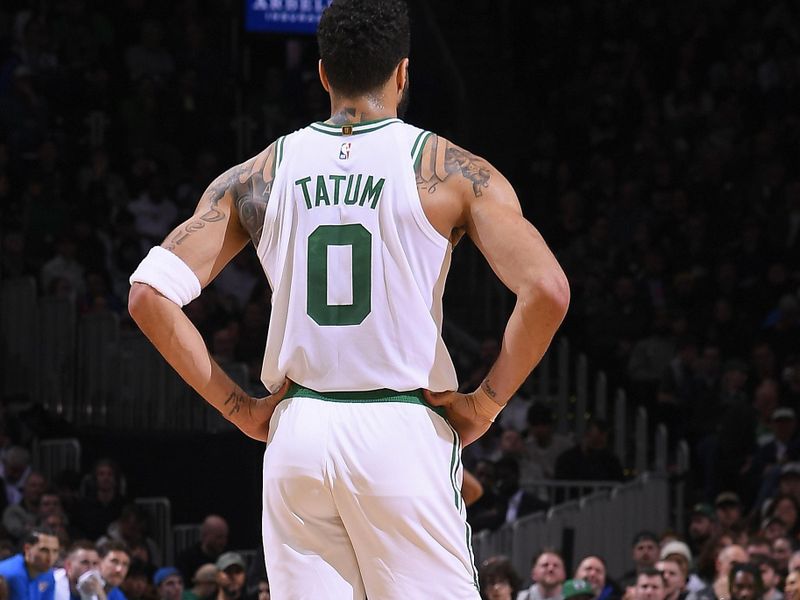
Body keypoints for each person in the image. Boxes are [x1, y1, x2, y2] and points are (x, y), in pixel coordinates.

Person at [126, 0, 569, 597]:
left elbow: (148, 296)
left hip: (298, 433)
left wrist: (239, 408)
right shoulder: (455, 171)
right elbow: (546, 290)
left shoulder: (258, 173)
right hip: (400, 427)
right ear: (404, 73)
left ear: (323, 74)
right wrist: (486, 404)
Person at [0, 527, 60, 600]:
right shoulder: (7, 574)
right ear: (27, 549)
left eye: (55, 551)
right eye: (44, 550)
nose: (50, 558)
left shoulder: (49, 575)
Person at [175, 516, 228, 583]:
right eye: (219, 537)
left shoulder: (226, 558)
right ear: (205, 535)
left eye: (225, 537)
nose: (223, 542)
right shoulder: (186, 559)